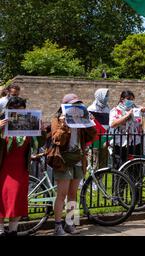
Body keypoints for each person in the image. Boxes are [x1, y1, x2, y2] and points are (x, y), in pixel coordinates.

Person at [51, 94, 97, 236]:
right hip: (63, 160)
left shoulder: (80, 120)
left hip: (78, 159)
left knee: (73, 193)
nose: (76, 107)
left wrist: (90, 123)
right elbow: (56, 140)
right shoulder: (56, 119)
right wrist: (64, 126)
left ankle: (70, 222)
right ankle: (58, 225)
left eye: (78, 104)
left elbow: (92, 136)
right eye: (73, 104)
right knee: (62, 193)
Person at [0, 97, 45, 236]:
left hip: (20, 167)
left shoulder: (29, 123)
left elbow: (39, 144)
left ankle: (13, 230)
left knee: (17, 198)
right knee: (1, 197)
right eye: (15, 111)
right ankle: (1, 230)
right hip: (3, 167)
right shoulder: (2, 122)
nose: (18, 114)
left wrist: (42, 131)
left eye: (21, 111)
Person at [109, 90, 145, 170]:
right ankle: (121, 182)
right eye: (128, 99)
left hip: (135, 143)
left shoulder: (136, 109)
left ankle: (135, 182)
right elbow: (112, 124)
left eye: (132, 99)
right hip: (121, 143)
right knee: (121, 167)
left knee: (136, 168)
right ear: (122, 99)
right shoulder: (115, 110)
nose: (130, 101)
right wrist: (127, 116)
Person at [87, 88, 111, 172]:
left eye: (107, 95)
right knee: (95, 161)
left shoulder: (108, 109)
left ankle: (100, 180)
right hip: (95, 138)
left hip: (105, 138)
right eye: (105, 95)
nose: (107, 97)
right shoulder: (91, 108)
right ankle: (93, 183)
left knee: (103, 162)